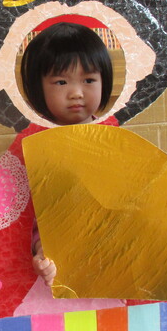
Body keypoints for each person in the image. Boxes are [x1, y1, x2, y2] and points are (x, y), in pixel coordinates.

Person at [20, 22, 113, 285]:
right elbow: (29, 210)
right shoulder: (31, 142)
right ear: (38, 87)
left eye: (89, 80)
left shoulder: (112, 136)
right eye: (61, 82)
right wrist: (41, 246)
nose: (76, 93)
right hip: (55, 240)